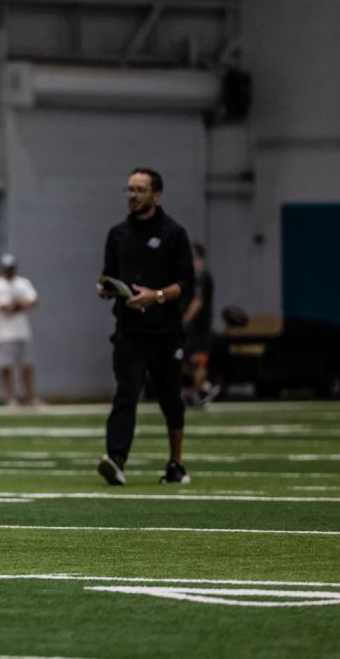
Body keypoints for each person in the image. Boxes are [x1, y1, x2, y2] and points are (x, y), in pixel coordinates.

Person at [96, 167, 195, 486]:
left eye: (140, 190)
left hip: (165, 331)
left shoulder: (173, 233)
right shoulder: (118, 234)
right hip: (128, 330)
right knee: (126, 393)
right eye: (129, 189)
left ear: (156, 194)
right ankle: (116, 459)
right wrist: (105, 289)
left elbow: (186, 283)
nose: (133, 195)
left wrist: (157, 296)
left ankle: (176, 463)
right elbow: (107, 274)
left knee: (170, 398)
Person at [0, 254, 40, 407]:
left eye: (11, 268)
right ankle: (10, 398)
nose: (9, 271)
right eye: (7, 268)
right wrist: (22, 304)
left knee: (27, 365)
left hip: (23, 331)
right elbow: (6, 308)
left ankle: (31, 397)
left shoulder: (23, 282)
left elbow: (35, 301)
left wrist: (15, 305)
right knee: (6, 367)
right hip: (5, 334)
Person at [182, 242, 218, 407]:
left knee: (198, 361)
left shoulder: (202, 276)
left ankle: (200, 392)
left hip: (199, 328)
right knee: (184, 360)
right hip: (193, 329)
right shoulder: (192, 278)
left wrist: (186, 319)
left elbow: (198, 301)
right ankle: (203, 388)